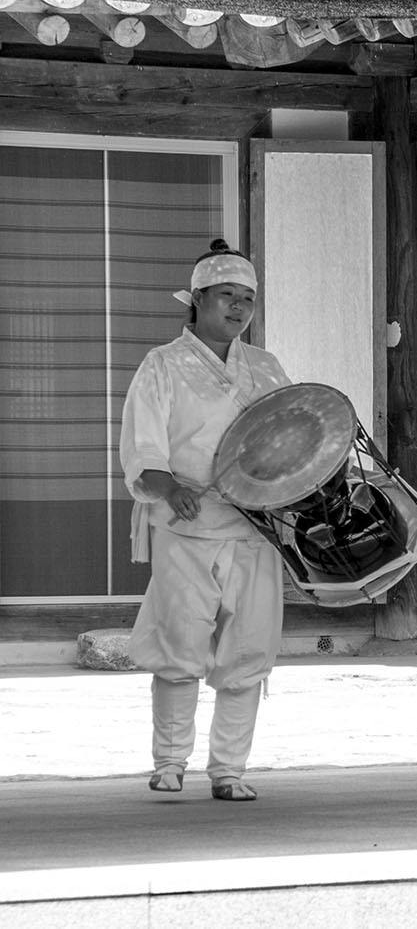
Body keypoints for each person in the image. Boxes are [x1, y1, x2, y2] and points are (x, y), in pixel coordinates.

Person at [121, 239, 293, 801]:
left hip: (257, 526)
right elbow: (142, 449)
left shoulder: (265, 366)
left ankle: (229, 770)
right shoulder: (163, 365)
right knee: (180, 645)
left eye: (247, 298)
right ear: (197, 300)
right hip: (187, 522)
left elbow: (294, 436)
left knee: (247, 649)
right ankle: (169, 763)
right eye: (227, 296)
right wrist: (168, 486)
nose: (239, 308)